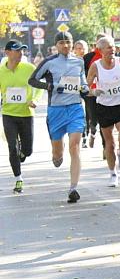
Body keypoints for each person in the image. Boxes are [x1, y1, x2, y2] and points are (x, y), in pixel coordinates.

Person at [29, 31, 88, 203]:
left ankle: (73, 188)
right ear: (56, 45)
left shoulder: (79, 62)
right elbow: (32, 80)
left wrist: (85, 88)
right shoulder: (49, 62)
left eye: (68, 42)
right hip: (56, 110)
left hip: (75, 108)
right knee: (58, 154)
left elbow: (82, 82)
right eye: (61, 43)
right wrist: (50, 86)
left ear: (72, 43)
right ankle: (56, 154)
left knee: (74, 146)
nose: (65, 45)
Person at [86, 35, 120, 187]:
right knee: (110, 143)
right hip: (104, 107)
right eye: (108, 47)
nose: (112, 49)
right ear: (100, 51)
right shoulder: (95, 66)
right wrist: (94, 92)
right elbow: (86, 87)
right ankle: (113, 173)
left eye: (113, 46)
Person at [0, 40, 42, 194]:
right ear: (7, 52)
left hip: (26, 114)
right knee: (12, 148)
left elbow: (39, 86)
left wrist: (35, 100)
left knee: (28, 150)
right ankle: (18, 179)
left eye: (22, 50)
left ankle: (23, 153)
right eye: (17, 50)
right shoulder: (1, 71)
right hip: (8, 114)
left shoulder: (29, 68)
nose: (20, 53)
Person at [82, 35, 104, 149]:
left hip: (105, 93)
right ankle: (92, 132)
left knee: (104, 119)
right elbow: (82, 73)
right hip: (91, 93)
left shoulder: (113, 56)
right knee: (93, 116)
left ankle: (105, 145)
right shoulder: (88, 57)